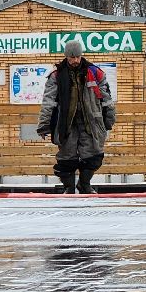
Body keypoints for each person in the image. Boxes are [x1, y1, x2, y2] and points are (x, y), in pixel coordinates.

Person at [36, 40, 116, 194]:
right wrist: (44, 125)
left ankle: (84, 184)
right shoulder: (56, 75)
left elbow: (106, 99)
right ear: (66, 57)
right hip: (66, 123)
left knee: (93, 154)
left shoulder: (95, 73)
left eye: (78, 57)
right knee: (67, 157)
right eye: (72, 57)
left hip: (91, 121)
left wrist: (109, 119)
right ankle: (69, 187)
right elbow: (48, 101)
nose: (75, 60)